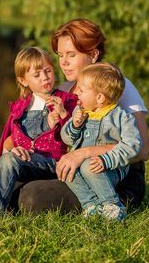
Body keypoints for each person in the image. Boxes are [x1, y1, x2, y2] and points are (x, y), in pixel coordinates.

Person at [16, 19, 149, 213]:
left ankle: (109, 204)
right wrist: (12, 147)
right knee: (15, 182)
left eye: (71, 54)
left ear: (93, 54)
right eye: (60, 55)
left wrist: (83, 154)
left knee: (31, 197)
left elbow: (142, 150)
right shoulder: (63, 90)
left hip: (113, 174)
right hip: (73, 169)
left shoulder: (116, 85)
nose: (63, 62)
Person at [0, 47, 78, 219]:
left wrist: (63, 116)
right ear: (23, 81)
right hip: (20, 160)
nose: (45, 77)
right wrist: (12, 150)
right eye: (37, 75)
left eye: (48, 71)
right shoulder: (20, 107)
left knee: (10, 161)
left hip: (50, 162)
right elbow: (11, 139)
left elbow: (75, 136)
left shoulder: (67, 101)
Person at [61, 63, 142, 220]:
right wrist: (74, 126)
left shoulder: (120, 117)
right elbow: (66, 138)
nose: (76, 92)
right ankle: (91, 205)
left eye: (81, 90)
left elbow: (133, 144)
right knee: (67, 169)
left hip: (112, 167)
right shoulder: (81, 112)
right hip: (85, 165)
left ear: (99, 97)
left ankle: (112, 204)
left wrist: (106, 160)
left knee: (88, 167)